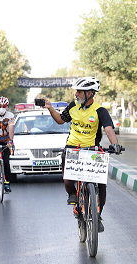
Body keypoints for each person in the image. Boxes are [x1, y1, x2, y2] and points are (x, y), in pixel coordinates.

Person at [42, 76, 122, 232]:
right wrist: (50, 108)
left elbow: (109, 129)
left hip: (92, 149)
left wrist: (115, 145)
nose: (76, 94)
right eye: (76, 91)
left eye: (79, 91)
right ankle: (72, 194)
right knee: (68, 178)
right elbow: (60, 120)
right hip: (73, 148)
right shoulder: (73, 107)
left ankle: (97, 215)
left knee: (101, 185)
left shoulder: (100, 111)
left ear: (90, 94)